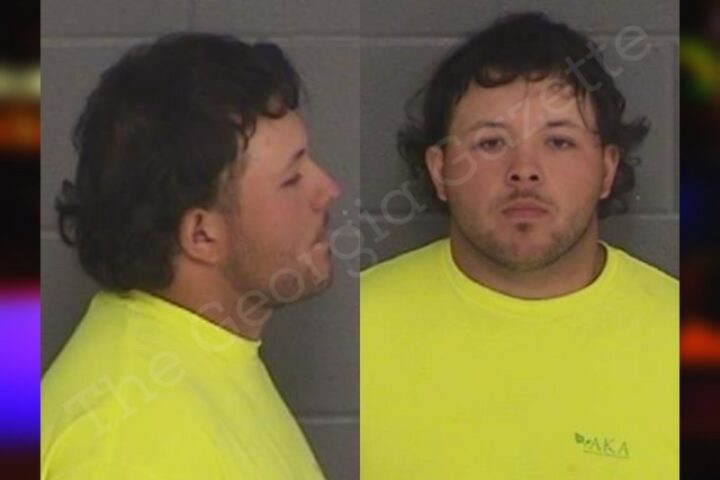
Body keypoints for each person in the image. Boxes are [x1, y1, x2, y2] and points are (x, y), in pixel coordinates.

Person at [361, 12, 678, 479]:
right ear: (440, 169)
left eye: (559, 142)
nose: (524, 170)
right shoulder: (360, 326)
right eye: (491, 143)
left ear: (607, 168)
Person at [42, 33, 340, 479]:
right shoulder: (130, 442)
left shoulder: (203, 356)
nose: (328, 189)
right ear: (201, 235)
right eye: (291, 178)